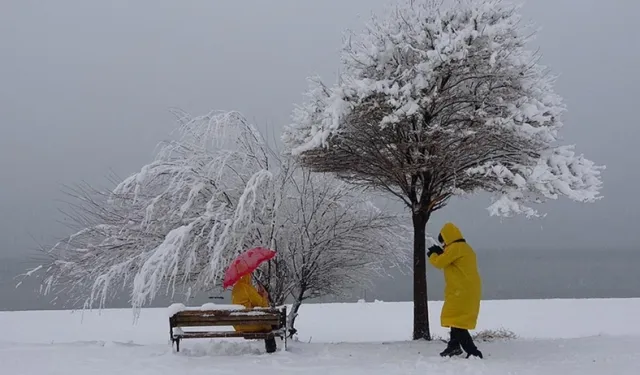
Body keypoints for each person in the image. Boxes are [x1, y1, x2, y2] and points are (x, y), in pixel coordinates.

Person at [428, 222, 483, 359]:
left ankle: (473, 351)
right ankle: (453, 347)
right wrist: (442, 253)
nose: (443, 245)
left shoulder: (456, 247)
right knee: (456, 319)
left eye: (443, 243)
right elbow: (450, 261)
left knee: (457, 321)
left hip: (461, 290)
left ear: (447, 238)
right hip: (465, 289)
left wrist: (433, 255)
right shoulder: (464, 248)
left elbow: (440, 263)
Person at [231, 274, 278, 353]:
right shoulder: (247, 288)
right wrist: (264, 296)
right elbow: (263, 306)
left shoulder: (235, 289)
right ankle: (271, 350)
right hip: (249, 324)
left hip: (238, 326)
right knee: (267, 325)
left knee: (268, 323)